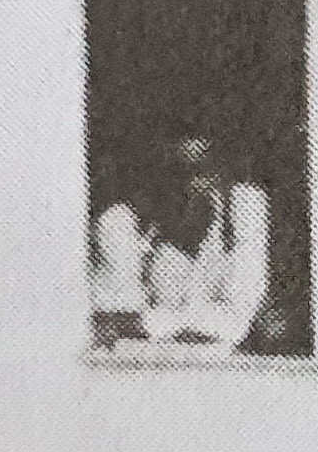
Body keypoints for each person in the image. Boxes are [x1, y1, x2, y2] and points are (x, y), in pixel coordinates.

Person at [91, 131, 273, 352]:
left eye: (201, 170)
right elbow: (115, 316)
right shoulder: (122, 221)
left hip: (220, 362)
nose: (192, 183)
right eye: (178, 171)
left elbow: (236, 322)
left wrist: (153, 323)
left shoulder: (243, 206)